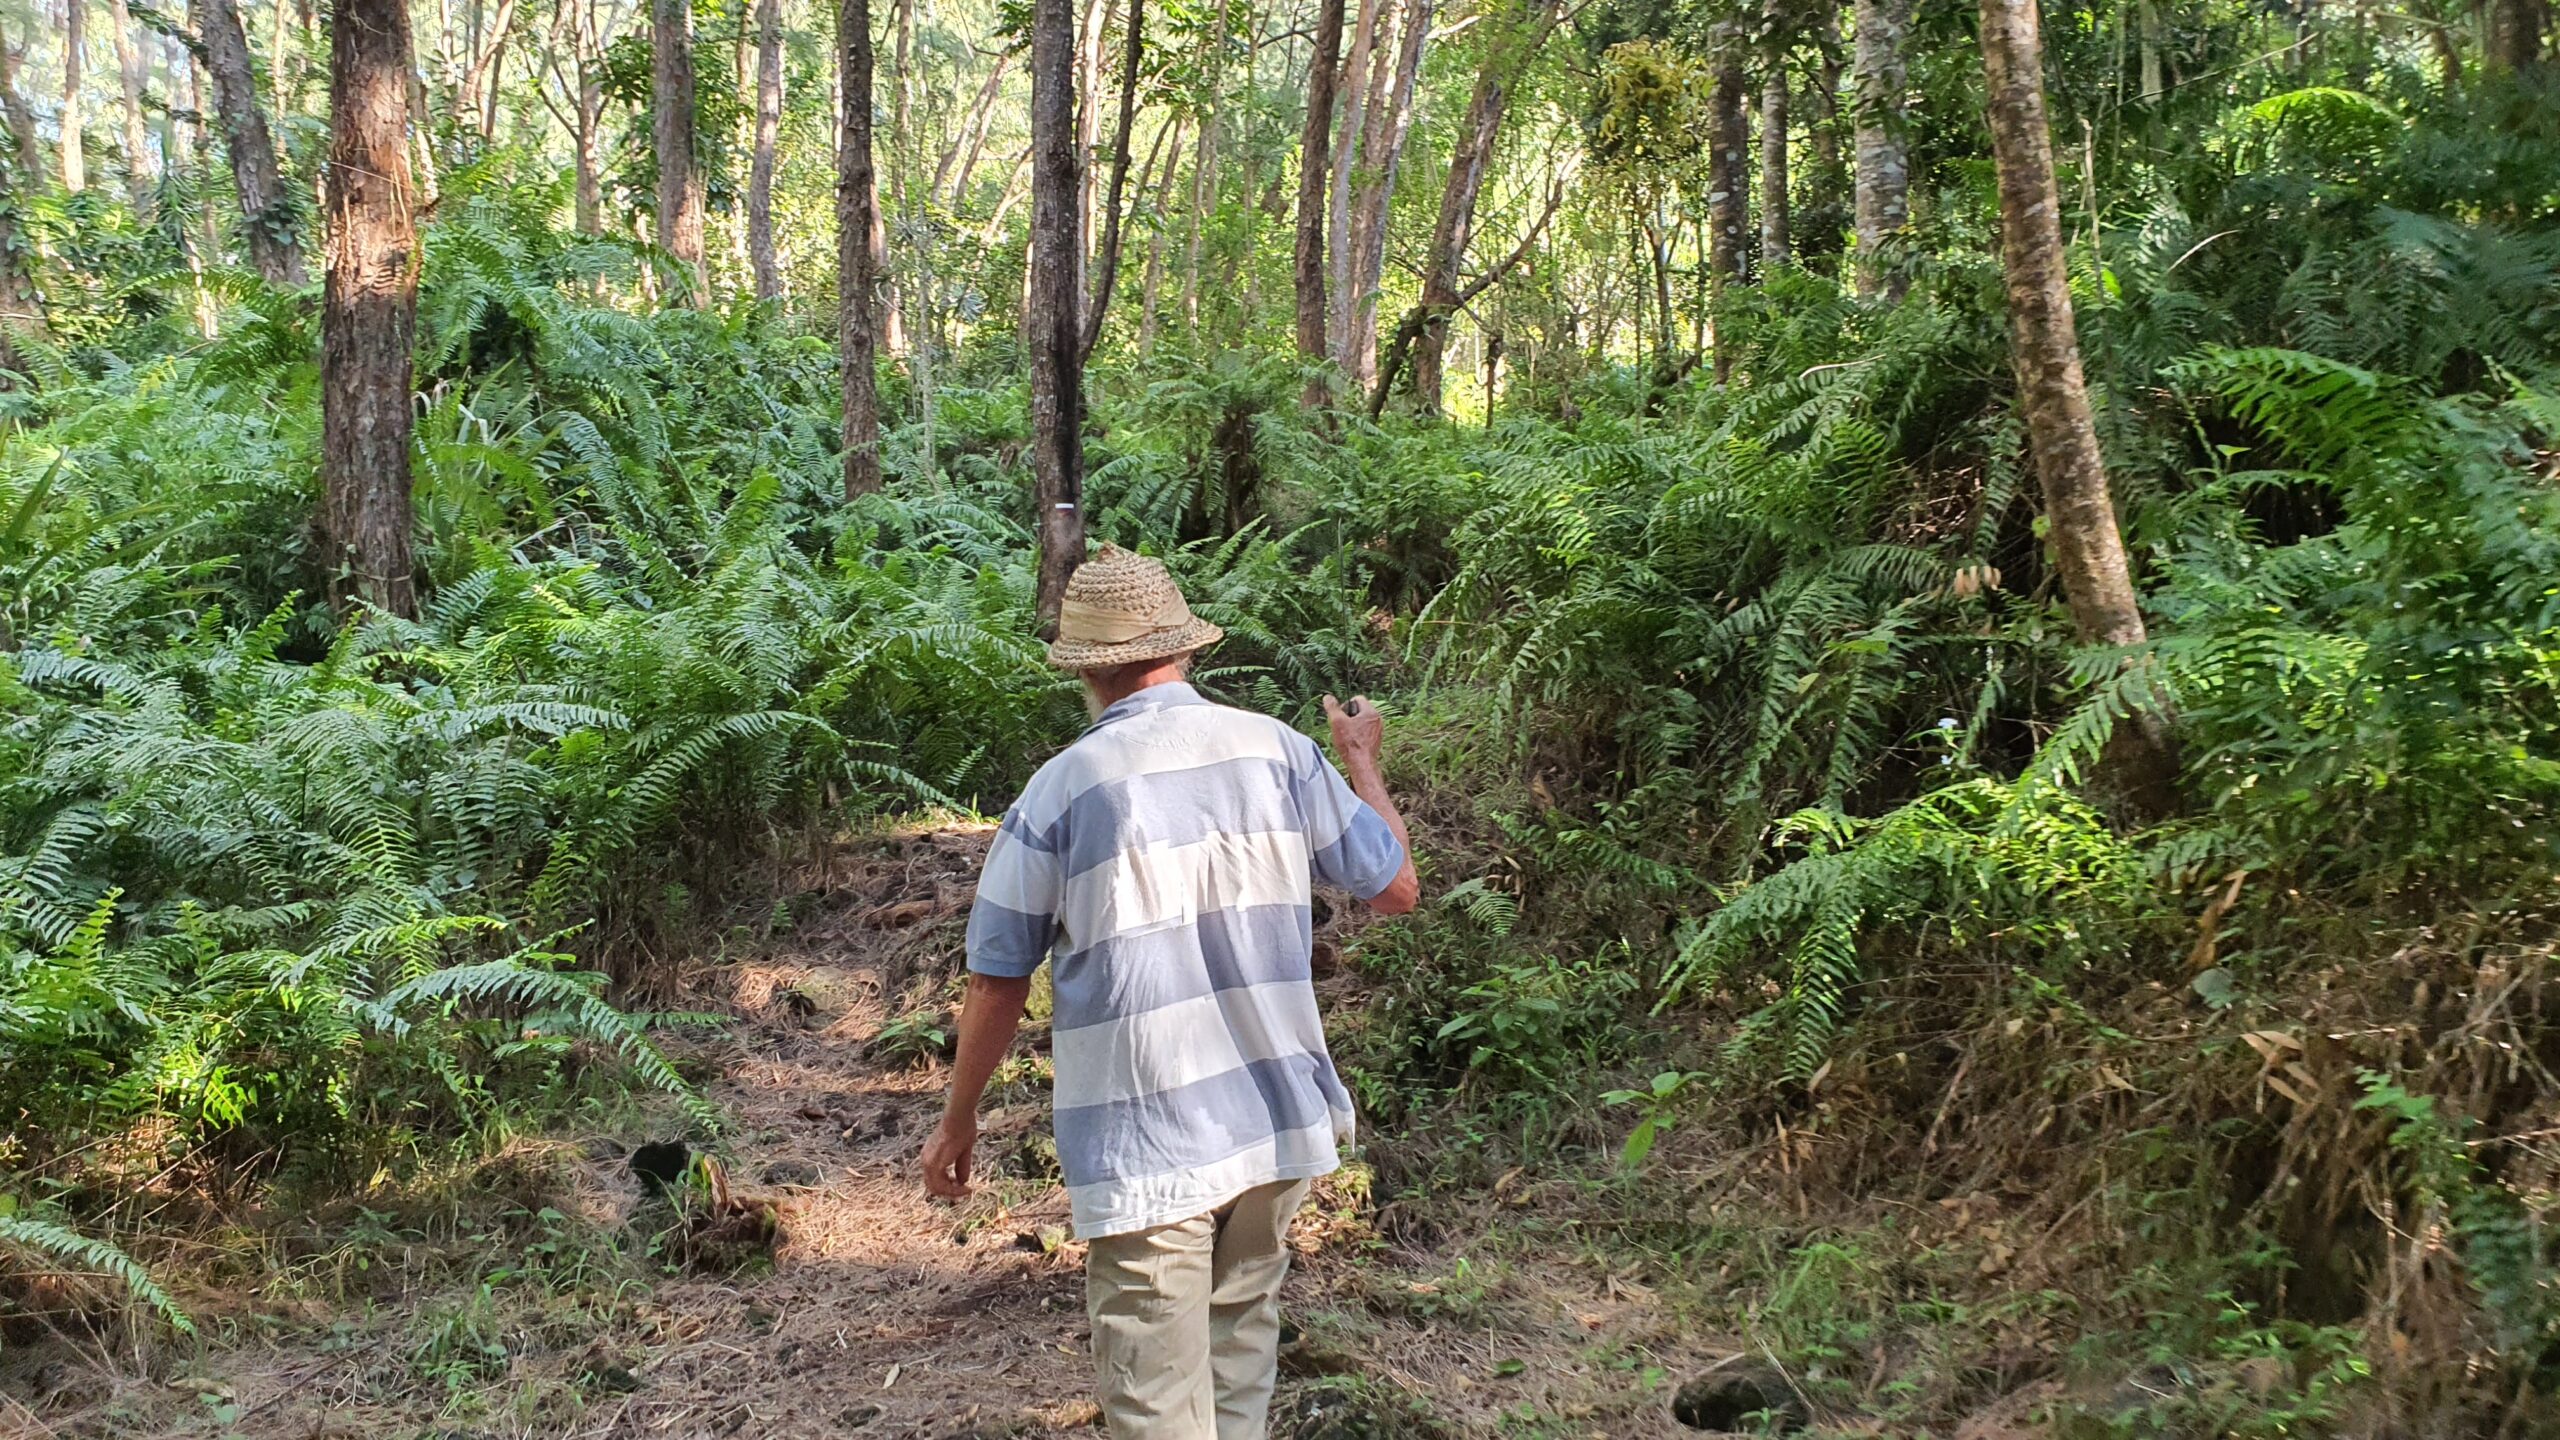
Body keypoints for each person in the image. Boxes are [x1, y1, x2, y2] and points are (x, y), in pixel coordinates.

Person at [920, 544, 1420, 1439]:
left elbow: (999, 977)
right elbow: (1395, 888)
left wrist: (959, 1122)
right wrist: (1361, 759)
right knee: (1237, 1377)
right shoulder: (1281, 750)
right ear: (1183, 650)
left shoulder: (1061, 789)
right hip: (1275, 1131)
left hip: (1147, 1144)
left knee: (1156, 1409)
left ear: (1087, 668)